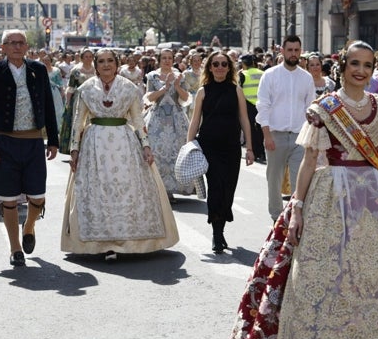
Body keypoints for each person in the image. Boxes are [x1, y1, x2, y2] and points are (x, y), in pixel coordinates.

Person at [227, 41, 378, 339]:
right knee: (325, 277)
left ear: (374, 69)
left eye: (368, 65)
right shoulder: (324, 108)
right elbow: (308, 161)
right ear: (343, 66)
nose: (361, 71)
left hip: (376, 196)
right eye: (355, 63)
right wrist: (298, 208)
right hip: (330, 193)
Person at [61, 49, 179, 260]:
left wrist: (145, 146)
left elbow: (138, 120)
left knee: (126, 189)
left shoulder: (129, 87)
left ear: (117, 64)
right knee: (97, 191)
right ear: (96, 65)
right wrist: (74, 150)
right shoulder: (86, 88)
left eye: (110, 61)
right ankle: (101, 242)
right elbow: (78, 121)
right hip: (93, 145)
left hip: (124, 145)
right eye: (102, 61)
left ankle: (126, 240)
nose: (106, 65)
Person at [0, 30, 59, 267]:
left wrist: (53, 140)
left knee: (38, 195)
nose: (16, 46)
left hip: (33, 141)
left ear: (27, 46)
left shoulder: (38, 69)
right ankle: (15, 249)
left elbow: (48, 105)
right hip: (4, 142)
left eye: (21, 43)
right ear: (3, 47)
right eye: (11, 43)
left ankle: (30, 225)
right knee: (9, 198)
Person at [187, 51, 254, 253]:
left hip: (231, 147)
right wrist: (188, 147)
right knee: (216, 188)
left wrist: (250, 148)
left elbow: (244, 119)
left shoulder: (236, 90)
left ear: (229, 67)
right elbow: (195, 121)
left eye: (224, 64)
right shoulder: (203, 91)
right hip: (209, 147)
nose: (219, 67)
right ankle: (217, 234)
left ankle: (221, 227)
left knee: (228, 190)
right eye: (215, 64)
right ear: (209, 67)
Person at [256, 35, 315, 220]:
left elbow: (311, 108)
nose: (293, 54)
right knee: (274, 180)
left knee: (301, 179)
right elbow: (263, 106)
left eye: (296, 50)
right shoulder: (270, 75)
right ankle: (276, 217)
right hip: (275, 136)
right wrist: (267, 136)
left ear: (301, 52)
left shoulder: (306, 78)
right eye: (289, 50)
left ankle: (296, 217)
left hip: (300, 136)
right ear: (282, 51)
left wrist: (311, 138)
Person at [144, 48, 194, 201]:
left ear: (173, 60)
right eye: (164, 58)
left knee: (177, 151)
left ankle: (173, 188)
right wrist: (164, 87)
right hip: (157, 118)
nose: (167, 60)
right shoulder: (152, 76)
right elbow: (148, 98)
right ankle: (159, 189)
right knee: (157, 151)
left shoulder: (180, 75)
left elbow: (186, 99)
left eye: (170, 58)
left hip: (176, 119)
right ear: (159, 60)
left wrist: (177, 86)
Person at [59, 48, 96, 154]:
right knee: (79, 122)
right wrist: (68, 102)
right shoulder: (76, 70)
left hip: (94, 98)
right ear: (82, 58)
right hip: (80, 99)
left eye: (90, 57)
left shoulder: (96, 69)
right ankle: (77, 146)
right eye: (86, 57)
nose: (88, 59)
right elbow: (70, 88)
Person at [238, 53, 266, 163]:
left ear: (243, 64)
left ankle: (255, 152)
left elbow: (238, 89)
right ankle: (262, 153)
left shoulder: (242, 74)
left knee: (250, 130)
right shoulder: (263, 73)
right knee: (260, 129)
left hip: (248, 105)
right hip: (262, 104)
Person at [41, 54, 65, 132]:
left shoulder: (56, 70)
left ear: (51, 61)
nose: (46, 62)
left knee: (57, 110)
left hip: (55, 93)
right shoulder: (40, 70)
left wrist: (62, 92)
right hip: (44, 92)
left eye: (48, 60)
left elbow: (60, 83)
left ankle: (57, 128)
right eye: (44, 60)